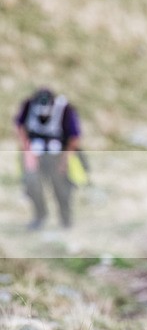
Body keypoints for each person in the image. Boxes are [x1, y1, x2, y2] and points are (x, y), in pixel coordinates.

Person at [14, 87, 82, 229]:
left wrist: (65, 160)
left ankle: (66, 221)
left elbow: (75, 137)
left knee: (62, 189)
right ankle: (40, 217)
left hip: (59, 155)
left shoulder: (65, 110)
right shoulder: (29, 106)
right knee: (32, 184)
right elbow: (19, 127)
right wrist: (27, 153)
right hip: (34, 154)